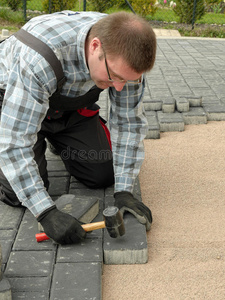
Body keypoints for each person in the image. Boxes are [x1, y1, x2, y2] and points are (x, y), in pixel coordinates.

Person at [0, 10, 156, 244]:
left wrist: (124, 191)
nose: (120, 87)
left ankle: (55, 141)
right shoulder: (39, 58)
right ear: (95, 46)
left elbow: (128, 123)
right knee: (18, 194)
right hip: (15, 102)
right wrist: (46, 213)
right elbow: (14, 143)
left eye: (127, 80)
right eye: (114, 77)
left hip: (67, 108)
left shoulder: (124, 59)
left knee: (103, 170)